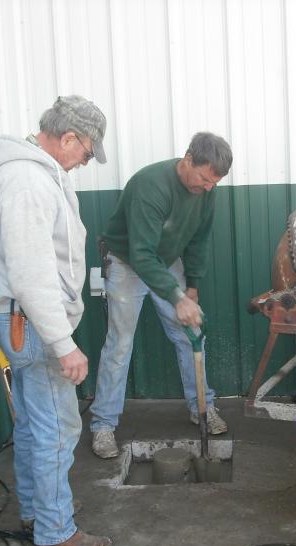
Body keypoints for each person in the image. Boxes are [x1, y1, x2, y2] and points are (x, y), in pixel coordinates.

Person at [0, 95, 112, 546]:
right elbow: (31, 272)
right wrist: (62, 342)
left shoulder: (30, 174)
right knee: (58, 426)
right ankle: (57, 531)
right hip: (32, 321)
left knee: (37, 423)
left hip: (22, 317)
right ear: (69, 138)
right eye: (87, 151)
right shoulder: (28, 183)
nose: (84, 162)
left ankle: (38, 511)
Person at [89, 132, 233, 458]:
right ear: (187, 159)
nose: (208, 187)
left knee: (191, 331)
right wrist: (176, 297)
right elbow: (141, 255)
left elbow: (198, 238)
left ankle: (201, 407)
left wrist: (191, 286)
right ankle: (103, 425)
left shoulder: (205, 190)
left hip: (168, 262)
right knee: (120, 343)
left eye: (214, 182)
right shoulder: (150, 187)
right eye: (204, 178)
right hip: (128, 262)